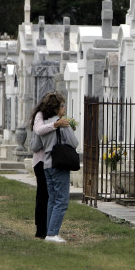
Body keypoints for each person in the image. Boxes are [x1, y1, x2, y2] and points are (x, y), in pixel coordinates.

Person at [38, 93, 79, 243]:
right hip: (59, 163)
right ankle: (52, 234)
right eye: (62, 105)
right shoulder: (62, 123)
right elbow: (74, 143)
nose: (64, 108)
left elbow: (37, 144)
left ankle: (50, 231)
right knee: (62, 200)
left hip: (47, 163)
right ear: (57, 108)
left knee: (52, 199)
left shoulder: (44, 124)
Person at [29, 93, 70, 239]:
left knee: (50, 196)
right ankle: (41, 229)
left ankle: (49, 230)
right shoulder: (40, 115)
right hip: (41, 161)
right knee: (43, 195)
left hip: (51, 160)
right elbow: (39, 131)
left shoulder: (54, 117)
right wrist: (55, 125)